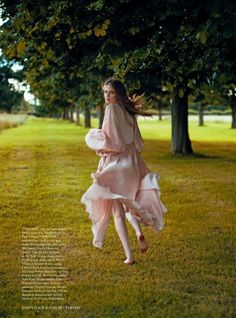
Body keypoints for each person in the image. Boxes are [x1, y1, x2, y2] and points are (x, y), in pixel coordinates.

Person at [81, 78, 168, 265]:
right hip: (133, 162)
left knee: (117, 212)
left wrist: (95, 140)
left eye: (110, 92)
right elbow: (138, 143)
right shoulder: (129, 111)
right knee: (128, 203)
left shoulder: (112, 109)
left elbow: (113, 143)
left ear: (118, 93)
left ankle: (129, 256)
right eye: (105, 92)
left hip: (118, 164)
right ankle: (138, 232)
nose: (107, 96)